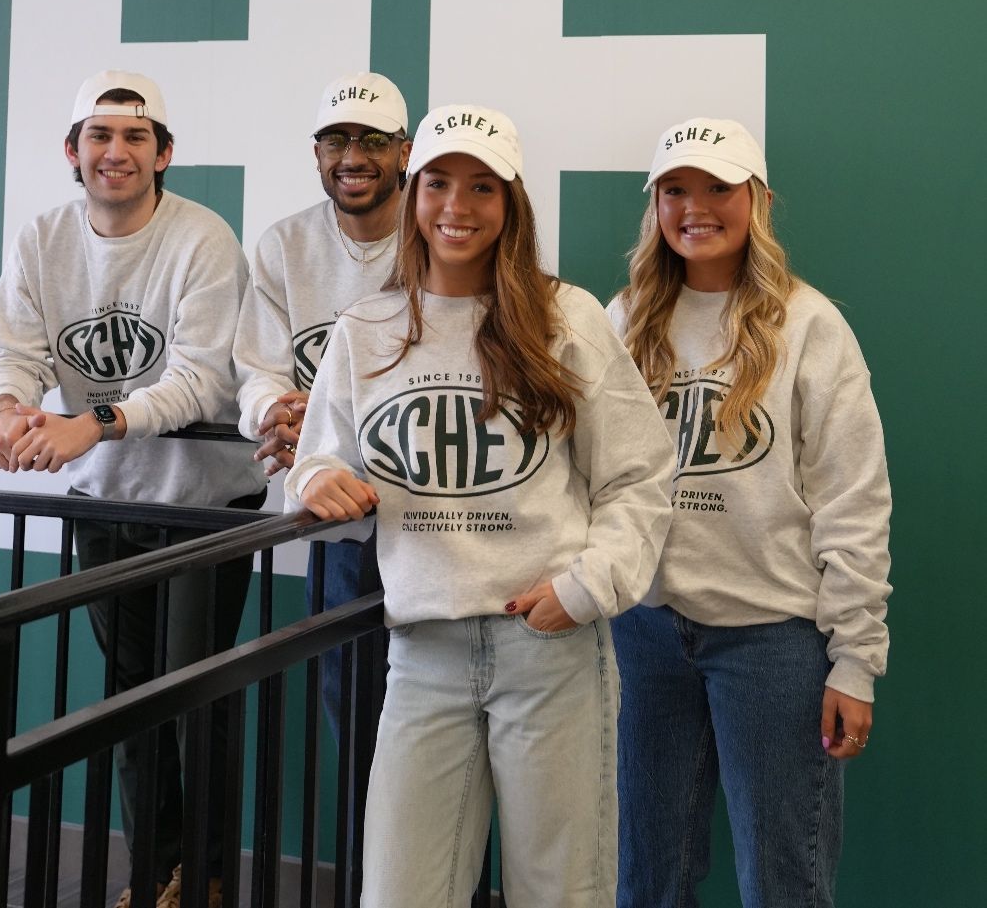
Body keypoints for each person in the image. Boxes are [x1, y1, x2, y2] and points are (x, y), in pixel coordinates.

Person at [285, 105, 674, 908]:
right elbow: (322, 455)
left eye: (481, 186)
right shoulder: (366, 329)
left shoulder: (564, 318)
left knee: (559, 892)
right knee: (398, 892)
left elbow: (638, 473)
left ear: (511, 202)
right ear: (412, 190)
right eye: (437, 183)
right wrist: (313, 480)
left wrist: (585, 588)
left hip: (548, 650)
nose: (456, 206)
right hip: (421, 650)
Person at [0, 71, 264, 908]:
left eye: (136, 137)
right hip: (106, 498)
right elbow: (13, 348)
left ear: (164, 153)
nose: (116, 152)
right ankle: (156, 875)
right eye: (98, 135)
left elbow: (202, 383)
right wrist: (6, 407)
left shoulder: (202, 239)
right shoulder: (41, 238)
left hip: (203, 504)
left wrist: (87, 423)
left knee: (189, 697)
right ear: (72, 151)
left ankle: (203, 878)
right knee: (131, 699)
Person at [608, 117, 891, 908]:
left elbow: (854, 502)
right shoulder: (622, 319)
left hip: (773, 643)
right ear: (655, 205)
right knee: (646, 879)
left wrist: (854, 661)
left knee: (781, 883)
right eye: (675, 189)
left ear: (757, 200)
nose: (695, 206)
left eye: (717, 187)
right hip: (644, 634)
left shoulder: (811, 326)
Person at [232, 70, 411, 729]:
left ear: (404, 151)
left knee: (443, 724)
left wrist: (340, 420)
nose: (353, 156)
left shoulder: (442, 229)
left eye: (372, 140)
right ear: (316, 153)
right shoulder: (285, 244)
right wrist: (273, 413)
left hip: (434, 512)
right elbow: (256, 368)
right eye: (336, 139)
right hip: (336, 510)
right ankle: (365, 839)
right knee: (355, 707)